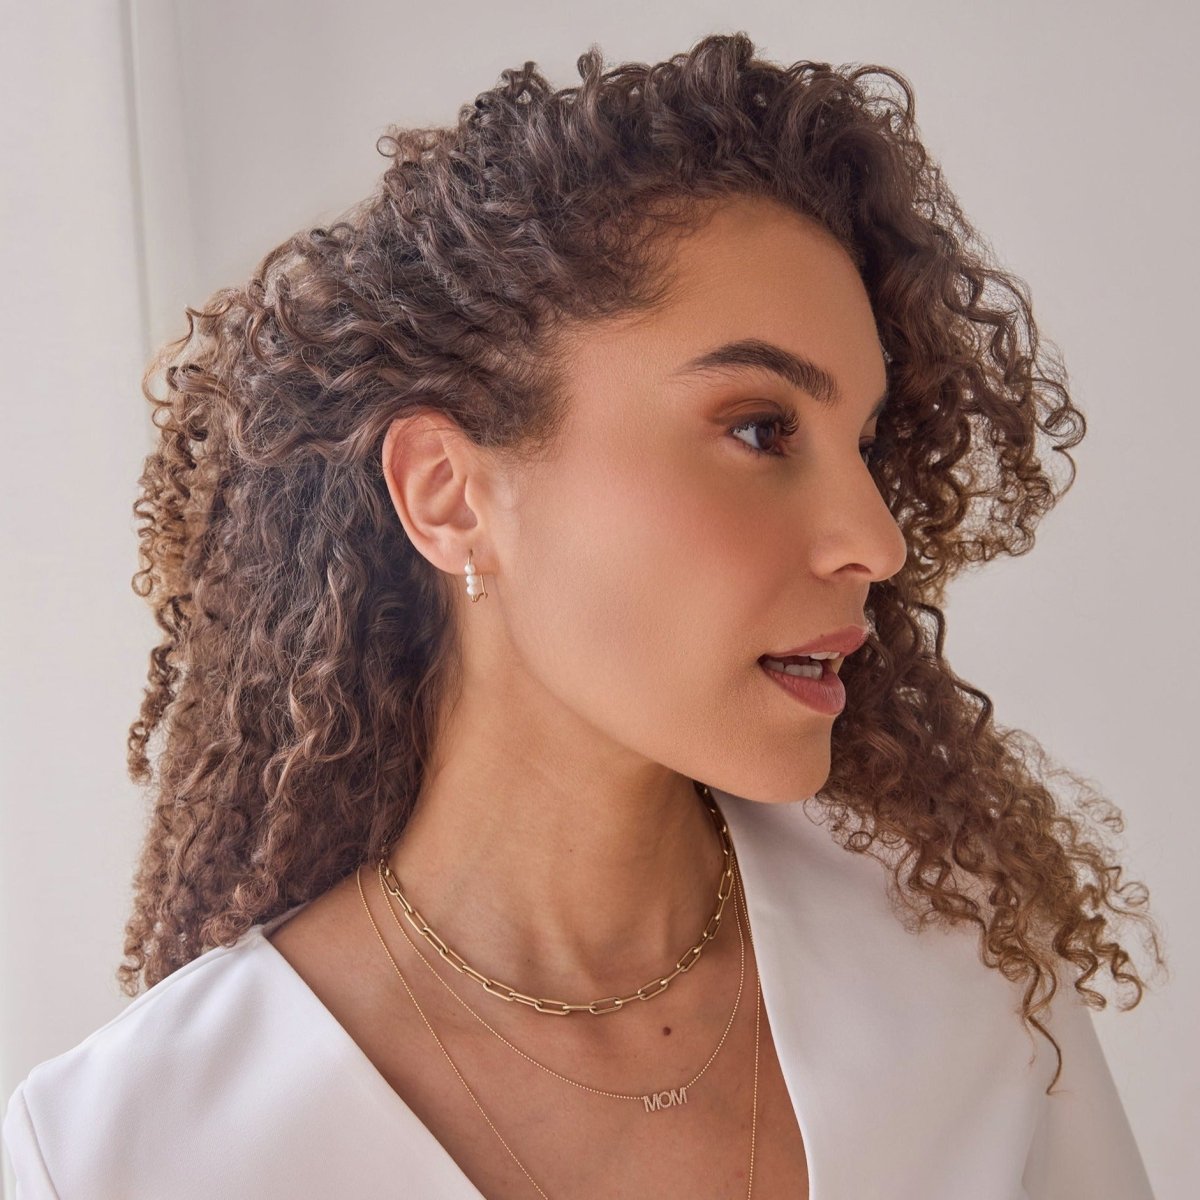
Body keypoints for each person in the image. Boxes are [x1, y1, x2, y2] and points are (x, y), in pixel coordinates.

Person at [2, 31, 1163, 1200]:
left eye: (862, 443)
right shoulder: (124, 1153)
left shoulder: (972, 973)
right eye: (760, 429)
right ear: (450, 497)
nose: (875, 540)